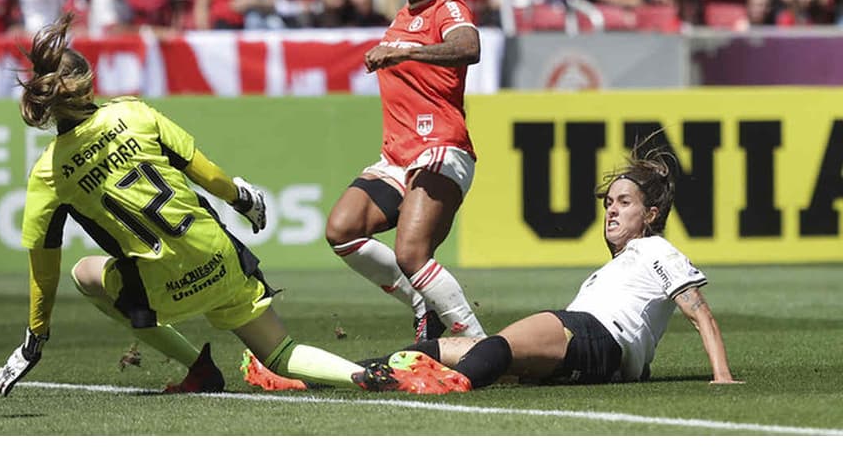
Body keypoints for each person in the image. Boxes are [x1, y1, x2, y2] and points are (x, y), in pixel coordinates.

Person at [0, 13, 400, 396]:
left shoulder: (49, 172)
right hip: (218, 263)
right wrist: (243, 199)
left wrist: (34, 338)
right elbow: (209, 175)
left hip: (161, 289)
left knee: (84, 273)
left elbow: (44, 270)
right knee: (280, 352)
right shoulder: (134, 114)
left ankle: (197, 367)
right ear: (89, 82)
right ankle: (361, 374)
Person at [249, 144, 740, 393]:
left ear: (650, 214)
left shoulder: (656, 251)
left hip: (594, 337)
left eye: (624, 203)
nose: (611, 211)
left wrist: (720, 376)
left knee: (497, 348)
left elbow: (699, 311)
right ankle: (318, 377)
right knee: (436, 349)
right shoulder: (616, 268)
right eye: (609, 202)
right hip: (592, 355)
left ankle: (439, 390)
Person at [323, 0, 485, 344]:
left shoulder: (447, 7)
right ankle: (421, 302)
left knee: (411, 253)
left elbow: (469, 48)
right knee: (341, 230)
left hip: (441, 147)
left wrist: (403, 53)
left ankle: (480, 343)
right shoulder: (403, 15)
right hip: (397, 156)